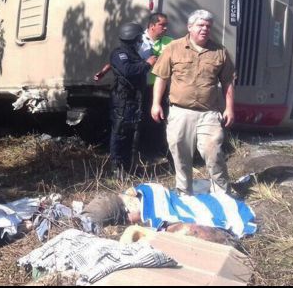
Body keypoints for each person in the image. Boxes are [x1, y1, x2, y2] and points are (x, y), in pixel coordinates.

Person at [150, 10, 236, 196]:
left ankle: (222, 195)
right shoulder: (173, 48)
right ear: (190, 27)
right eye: (200, 25)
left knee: (213, 153)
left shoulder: (220, 51)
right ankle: (184, 194)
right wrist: (156, 104)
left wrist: (229, 108)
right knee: (180, 155)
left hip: (209, 113)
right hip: (180, 112)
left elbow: (228, 82)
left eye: (208, 26)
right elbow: (161, 78)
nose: (205, 29)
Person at [95, 23, 156, 176]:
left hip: (134, 99)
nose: (140, 41)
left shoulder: (133, 53)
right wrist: (147, 64)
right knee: (120, 132)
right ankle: (117, 167)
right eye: (138, 38)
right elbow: (127, 70)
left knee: (132, 133)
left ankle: (129, 166)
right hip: (123, 100)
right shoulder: (120, 54)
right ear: (132, 38)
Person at [137, 13, 173, 159]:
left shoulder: (169, 42)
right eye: (162, 25)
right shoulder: (139, 41)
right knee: (142, 119)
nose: (165, 28)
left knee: (159, 119)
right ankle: (142, 150)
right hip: (141, 87)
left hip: (159, 88)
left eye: (166, 25)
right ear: (152, 26)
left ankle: (158, 149)